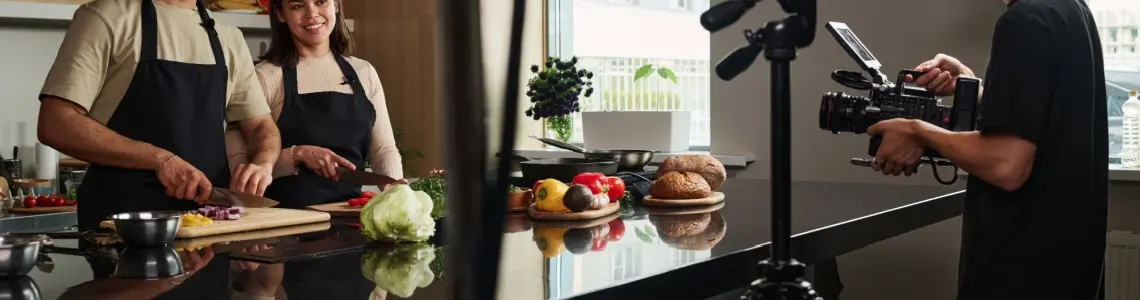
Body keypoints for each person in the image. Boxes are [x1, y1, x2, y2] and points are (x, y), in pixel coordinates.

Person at [866, 0, 1107, 298]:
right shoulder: (1069, 9)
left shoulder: (1025, 20)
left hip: (1019, 274)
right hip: (1065, 269)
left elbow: (1007, 165)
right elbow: (1041, 125)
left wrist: (916, 130)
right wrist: (977, 90)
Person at [37, 0, 282, 231]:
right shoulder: (105, 18)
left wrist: (263, 164)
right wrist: (160, 159)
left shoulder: (229, 37)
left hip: (206, 225)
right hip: (126, 222)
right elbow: (56, 123)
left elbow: (262, 125)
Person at [226, 0, 404, 209]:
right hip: (286, 225)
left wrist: (397, 192)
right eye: (297, 6)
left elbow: (383, 149)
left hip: (349, 215)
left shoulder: (364, 73)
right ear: (280, 14)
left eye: (320, 2)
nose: (312, 14)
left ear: (336, 5)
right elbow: (239, 167)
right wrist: (297, 155)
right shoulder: (264, 77)